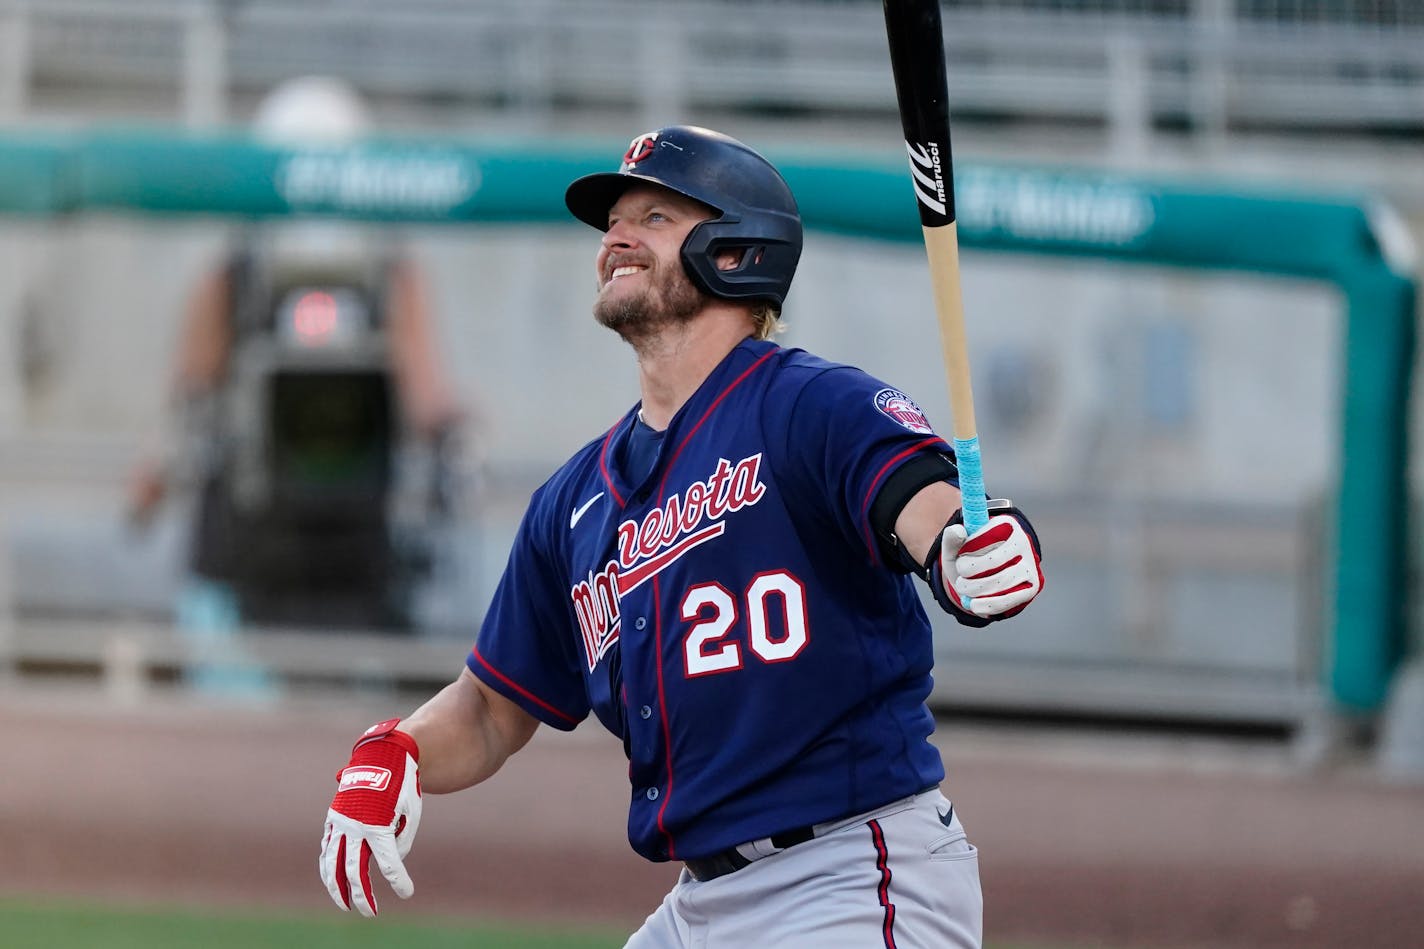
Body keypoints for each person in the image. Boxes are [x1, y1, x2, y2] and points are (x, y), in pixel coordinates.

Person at [319, 125, 1043, 947]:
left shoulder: (810, 406)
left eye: (655, 217)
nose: (616, 237)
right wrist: (398, 749)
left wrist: (966, 551)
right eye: (614, 222)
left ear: (739, 251)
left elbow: (929, 510)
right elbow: (491, 708)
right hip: (703, 903)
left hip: (851, 874)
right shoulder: (574, 500)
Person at [128, 76, 465, 638]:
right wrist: (153, 474)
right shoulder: (235, 278)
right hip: (245, 550)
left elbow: (428, 394)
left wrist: (453, 439)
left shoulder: (387, 277)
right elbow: (189, 396)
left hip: (353, 552)